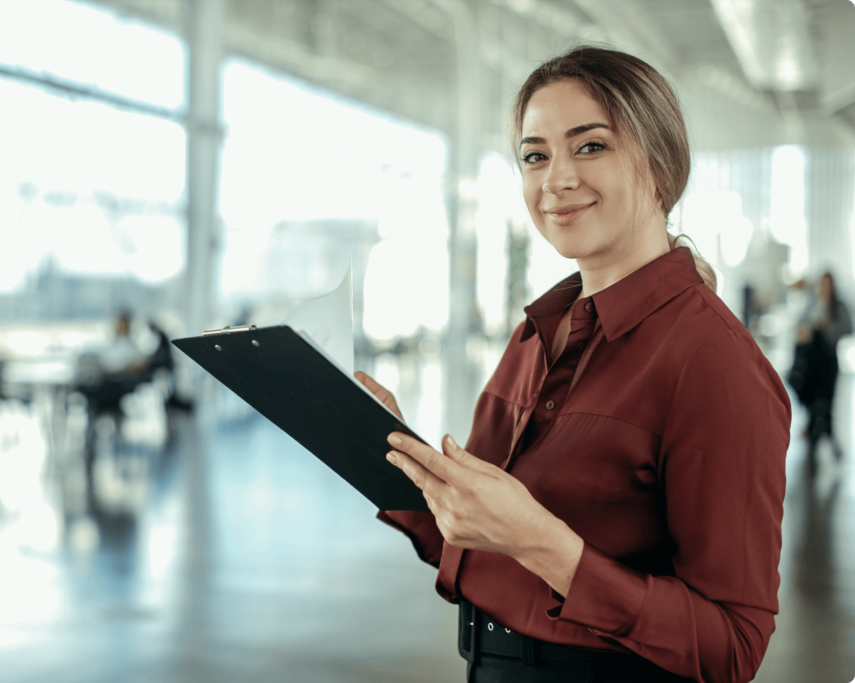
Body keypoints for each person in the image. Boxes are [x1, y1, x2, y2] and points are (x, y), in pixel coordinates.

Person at [356, 46, 790, 683]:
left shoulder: (713, 362)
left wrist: (546, 545)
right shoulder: (537, 334)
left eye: (589, 146)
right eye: (535, 155)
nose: (555, 179)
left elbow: (732, 646)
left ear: (661, 166)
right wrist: (380, 450)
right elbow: (480, 542)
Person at [790, 272, 851, 475]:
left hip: (829, 364)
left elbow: (848, 327)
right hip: (811, 365)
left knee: (827, 406)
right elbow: (799, 325)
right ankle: (816, 451)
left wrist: (826, 330)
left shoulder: (839, 306)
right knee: (814, 408)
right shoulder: (811, 302)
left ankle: (829, 443)